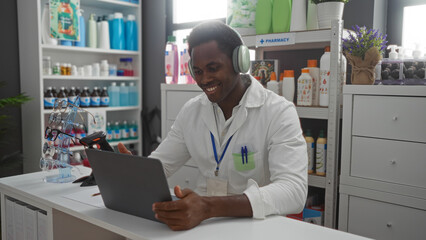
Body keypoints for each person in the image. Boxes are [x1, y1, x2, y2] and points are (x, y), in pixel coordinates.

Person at [118, 20, 307, 231]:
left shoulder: (278, 112)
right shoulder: (192, 111)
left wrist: (209, 207)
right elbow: (162, 165)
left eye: (213, 68)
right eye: (197, 71)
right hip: (204, 226)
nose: (204, 79)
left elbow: (294, 191)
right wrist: (134, 171)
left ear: (239, 62)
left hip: (255, 227)